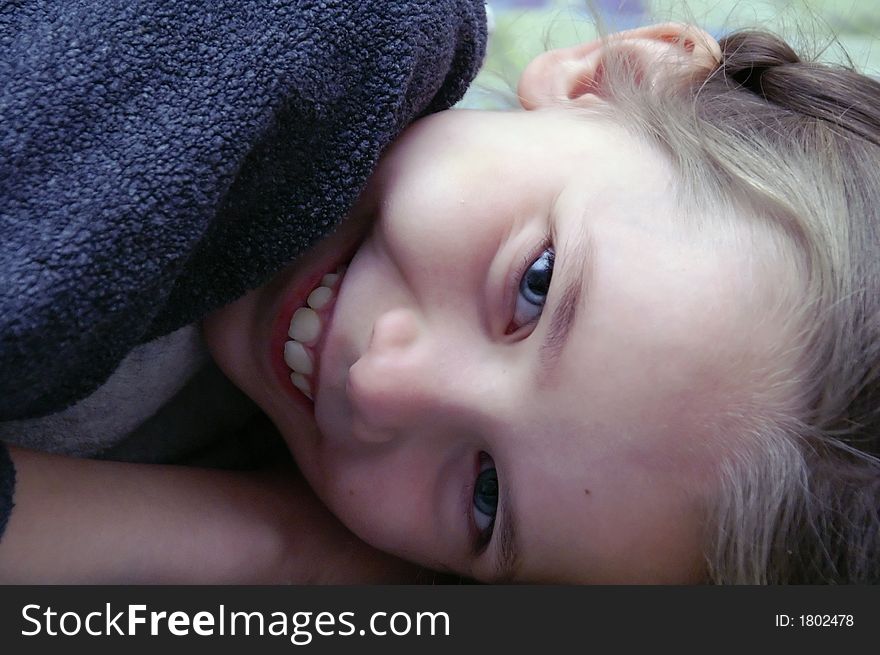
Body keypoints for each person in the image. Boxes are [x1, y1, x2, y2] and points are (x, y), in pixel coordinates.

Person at [2, 15, 879, 584]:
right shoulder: (319, 38)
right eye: (534, 287)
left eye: (487, 496)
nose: (383, 381)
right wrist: (280, 552)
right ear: (609, 78)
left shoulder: (262, 463)